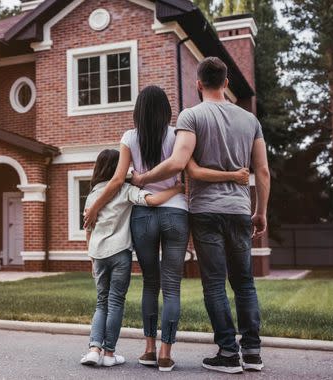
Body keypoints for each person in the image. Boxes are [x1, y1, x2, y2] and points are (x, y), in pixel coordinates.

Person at [83, 86, 248, 372]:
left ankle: (147, 350)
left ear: (138, 110)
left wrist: (95, 206)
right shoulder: (178, 135)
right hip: (176, 212)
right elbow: (190, 169)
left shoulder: (129, 137)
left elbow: (117, 180)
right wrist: (179, 187)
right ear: (166, 111)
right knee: (171, 287)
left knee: (150, 283)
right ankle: (165, 354)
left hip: (143, 216)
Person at [130, 57, 271, 374]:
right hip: (239, 211)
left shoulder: (191, 116)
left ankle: (227, 353)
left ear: (198, 84)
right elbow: (262, 170)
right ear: (226, 83)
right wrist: (260, 211)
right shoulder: (250, 121)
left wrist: (143, 178)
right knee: (245, 283)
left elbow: (179, 163)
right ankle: (252, 352)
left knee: (215, 285)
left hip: (206, 211)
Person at [80, 149, 184, 367]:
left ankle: (93, 349)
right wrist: (176, 189)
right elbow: (153, 201)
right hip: (120, 254)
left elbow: (88, 230)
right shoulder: (126, 190)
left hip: (98, 255)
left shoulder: (92, 195)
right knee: (116, 302)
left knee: (101, 303)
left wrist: (91, 258)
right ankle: (109, 354)